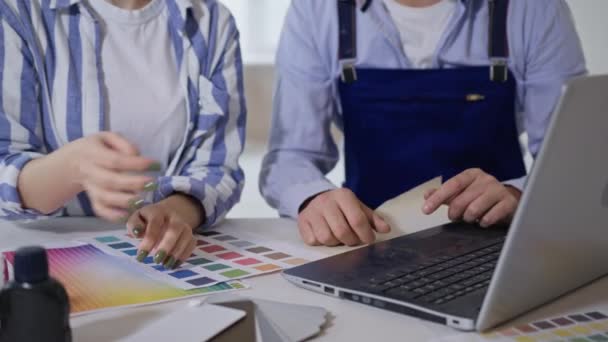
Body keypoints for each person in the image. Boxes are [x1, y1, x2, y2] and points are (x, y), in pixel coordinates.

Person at [260, 0, 586, 247]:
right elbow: (290, 156)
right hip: (368, 243)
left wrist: (518, 195)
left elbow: (573, 160)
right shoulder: (317, 9)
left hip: (499, 244)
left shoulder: (534, 8)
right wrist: (312, 198)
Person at [0, 0, 246, 269]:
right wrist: (72, 168)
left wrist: (174, 212)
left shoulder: (212, 22)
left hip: (161, 262)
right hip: (44, 258)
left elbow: (217, 166)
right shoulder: (17, 12)